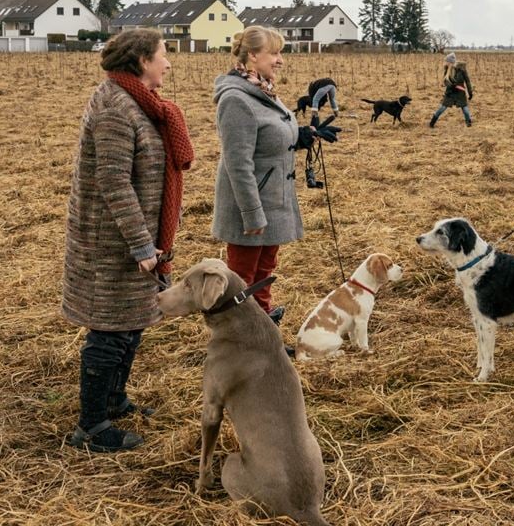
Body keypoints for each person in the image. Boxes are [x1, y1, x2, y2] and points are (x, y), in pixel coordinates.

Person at [62, 28, 194, 452]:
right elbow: (113, 181)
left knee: (132, 323)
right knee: (110, 330)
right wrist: (140, 245)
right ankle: (92, 426)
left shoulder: (139, 104)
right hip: (111, 244)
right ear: (141, 61)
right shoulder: (115, 109)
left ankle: (114, 400)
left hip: (134, 240)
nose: (168, 63)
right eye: (163, 55)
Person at [212, 25, 339, 325]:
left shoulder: (263, 90)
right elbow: (237, 162)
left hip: (273, 200)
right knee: (242, 282)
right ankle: (240, 345)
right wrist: (252, 213)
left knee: (264, 272)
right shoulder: (236, 99)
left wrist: (303, 136)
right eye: (275, 53)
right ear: (253, 56)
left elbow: (272, 135)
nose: (281, 60)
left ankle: (263, 330)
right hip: (252, 204)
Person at [429, 52, 473, 127]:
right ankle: (432, 122)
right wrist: (451, 85)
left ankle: (468, 123)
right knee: (442, 108)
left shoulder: (462, 69)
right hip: (450, 92)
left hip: (460, 93)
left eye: (447, 61)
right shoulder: (447, 69)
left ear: (451, 62)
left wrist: (470, 92)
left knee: (465, 109)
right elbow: (445, 81)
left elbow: (467, 81)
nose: (445, 63)